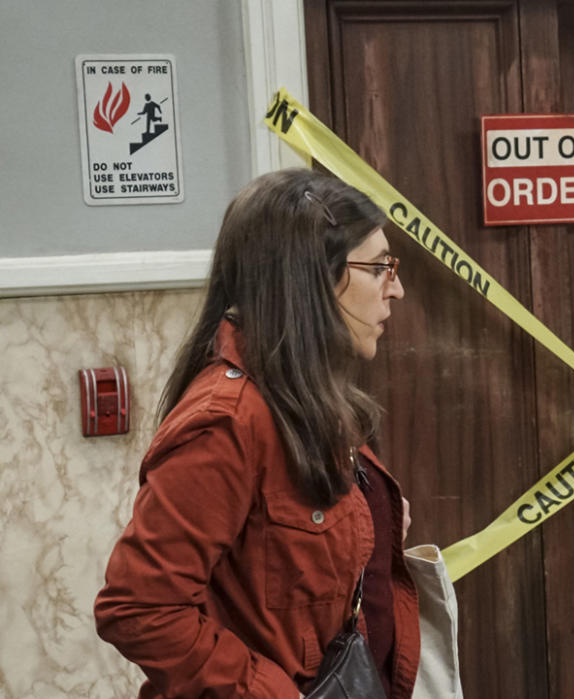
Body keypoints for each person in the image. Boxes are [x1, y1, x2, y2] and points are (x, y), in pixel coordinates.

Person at [96, 169, 420, 698]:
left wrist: (372, 528)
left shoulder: (312, 398)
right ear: (311, 277)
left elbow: (285, 564)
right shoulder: (226, 422)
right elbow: (138, 607)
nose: (396, 289)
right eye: (379, 268)